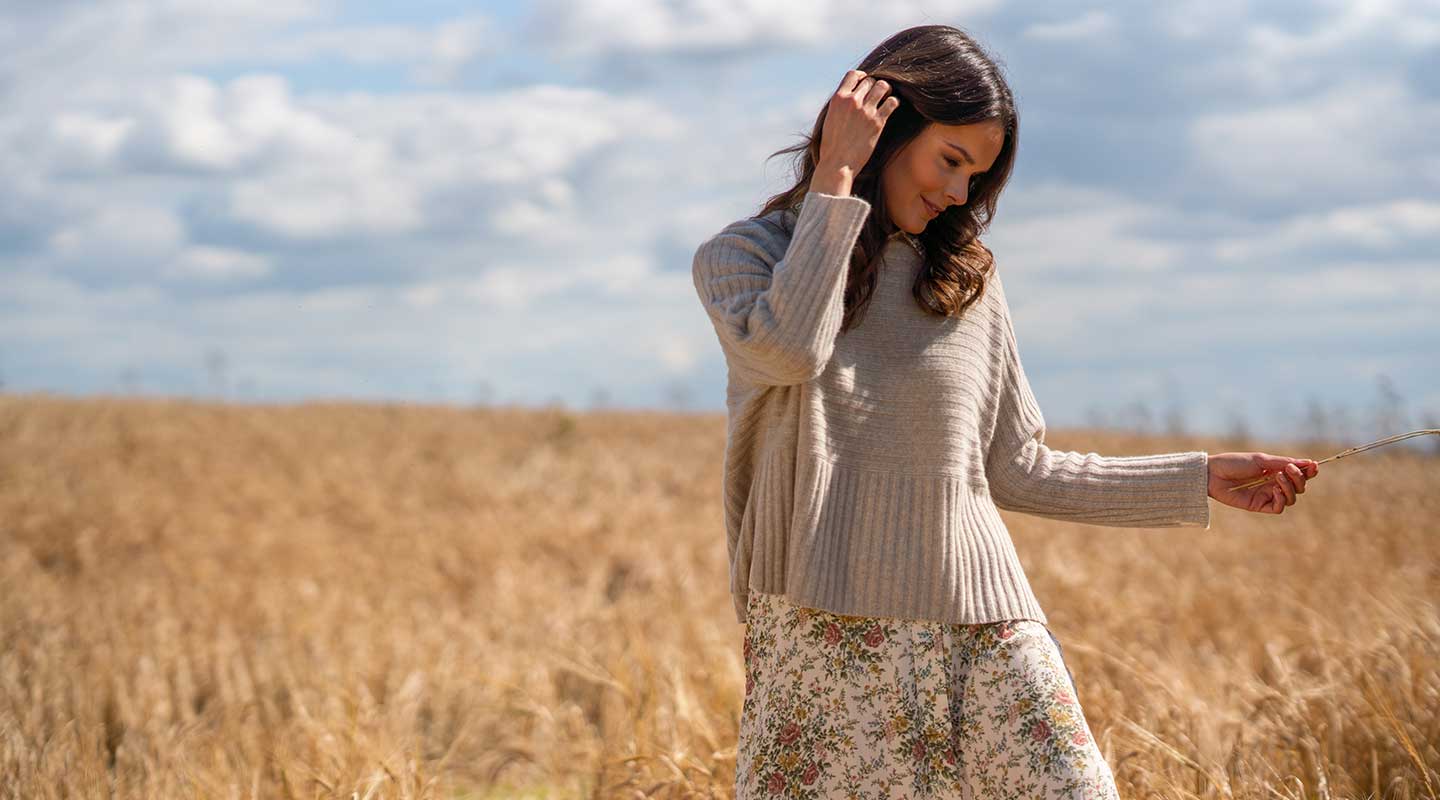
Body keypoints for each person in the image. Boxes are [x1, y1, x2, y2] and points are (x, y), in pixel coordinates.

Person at [690, 24, 1321, 800]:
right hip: (823, 626)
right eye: (950, 161)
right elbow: (790, 352)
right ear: (883, 128)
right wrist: (835, 179)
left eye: (976, 176)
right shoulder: (745, 258)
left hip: (982, 620)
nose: (958, 194)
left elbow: (1017, 467)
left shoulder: (964, 282)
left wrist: (1199, 479)